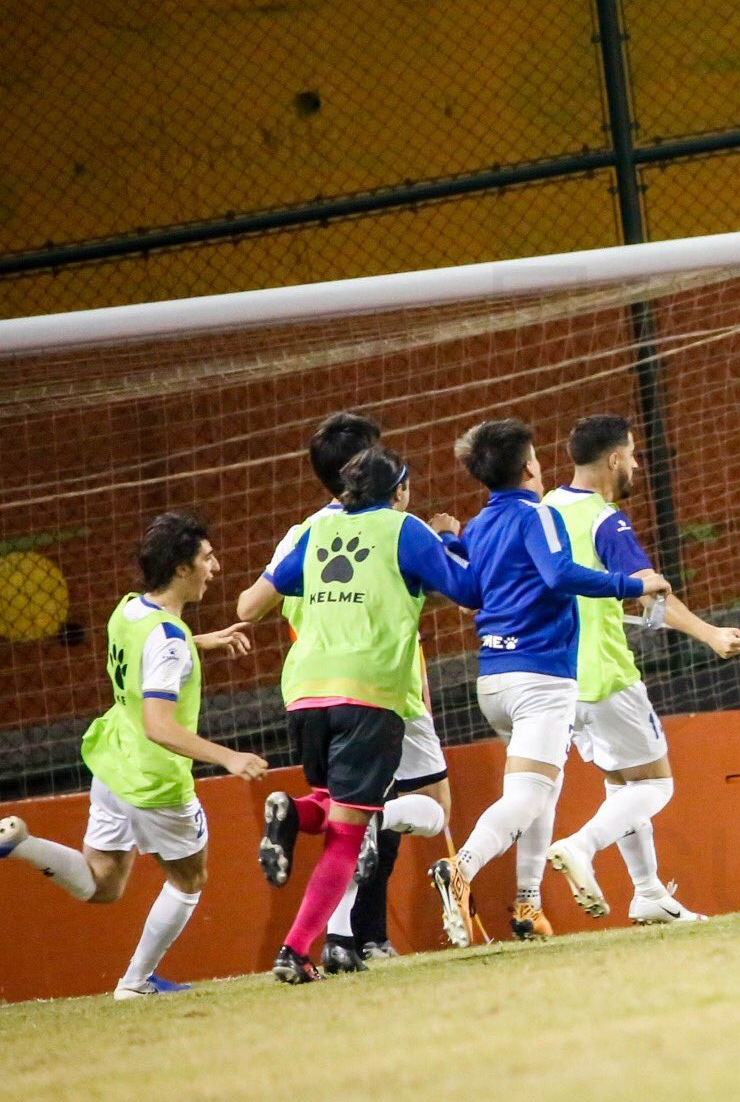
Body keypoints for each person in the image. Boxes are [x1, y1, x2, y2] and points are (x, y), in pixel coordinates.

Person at [0, 512, 266, 998]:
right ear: (181, 570)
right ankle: (135, 982)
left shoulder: (128, 610)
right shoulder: (169, 643)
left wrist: (200, 640)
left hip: (112, 764)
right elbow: (160, 724)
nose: (216, 567)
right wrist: (227, 757)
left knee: (104, 884)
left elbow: (155, 654)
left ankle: (20, 844)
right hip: (153, 781)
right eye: (207, 558)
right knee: (190, 880)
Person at [429, 418, 669, 947]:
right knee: (528, 795)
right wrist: (632, 583)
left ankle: (528, 904)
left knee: (542, 790)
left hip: (493, 681)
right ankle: (462, 867)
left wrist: (448, 540)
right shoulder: (536, 515)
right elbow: (560, 574)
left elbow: (467, 591)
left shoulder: (478, 525)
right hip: (541, 677)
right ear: (531, 467)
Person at [236, 411, 460, 973]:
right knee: (419, 811)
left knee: (345, 813)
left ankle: (350, 938)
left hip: (311, 682)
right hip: (385, 682)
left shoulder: (303, 532)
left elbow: (255, 604)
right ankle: (349, 936)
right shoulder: (398, 525)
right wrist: (447, 544)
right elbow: (446, 591)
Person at [531, 414, 740, 925]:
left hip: (556, 677)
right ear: (613, 459)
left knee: (621, 787)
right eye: (632, 454)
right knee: (655, 786)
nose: (636, 464)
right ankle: (582, 846)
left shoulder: (544, 510)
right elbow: (652, 588)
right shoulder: (606, 520)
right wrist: (711, 634)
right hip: (606, 674)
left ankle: (647, 893)